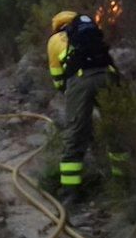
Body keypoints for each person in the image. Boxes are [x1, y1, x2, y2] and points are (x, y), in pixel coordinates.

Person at [47, 10, 126, 203]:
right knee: (115, 129)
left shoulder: (55, 40)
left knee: (75, 134)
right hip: (108, 75)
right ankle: (123, 183)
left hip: (81, 80)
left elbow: (58, 77)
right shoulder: (90, 32)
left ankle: (71, 193)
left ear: (58, 26)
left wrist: (68, 92)